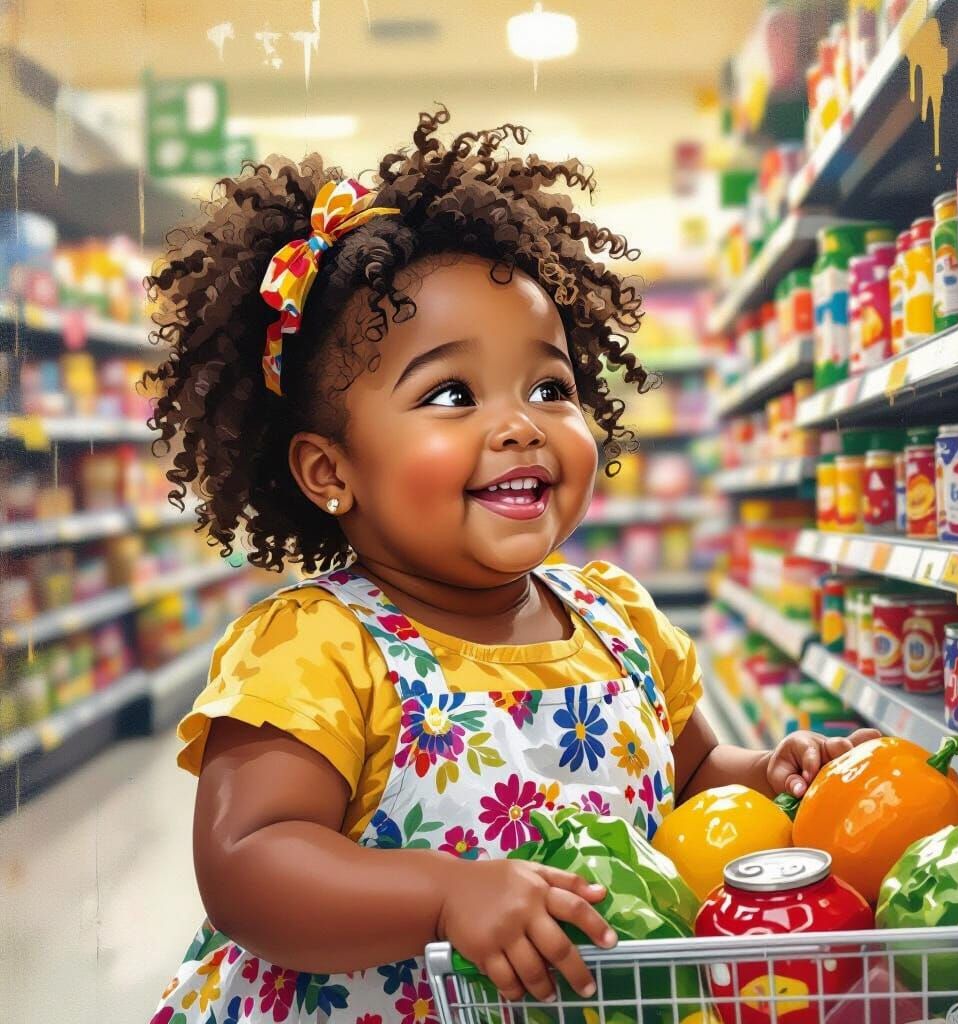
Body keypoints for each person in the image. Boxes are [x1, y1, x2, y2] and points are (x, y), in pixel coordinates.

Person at [146, 106, 877, 1024]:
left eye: (551, 387)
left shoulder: (618, 620)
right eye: (451, 393)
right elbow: (248, 864)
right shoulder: (319, 649)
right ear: (331, 471)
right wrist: (443, 895)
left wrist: (767, 774)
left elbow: (684, 778)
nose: (520, 423)